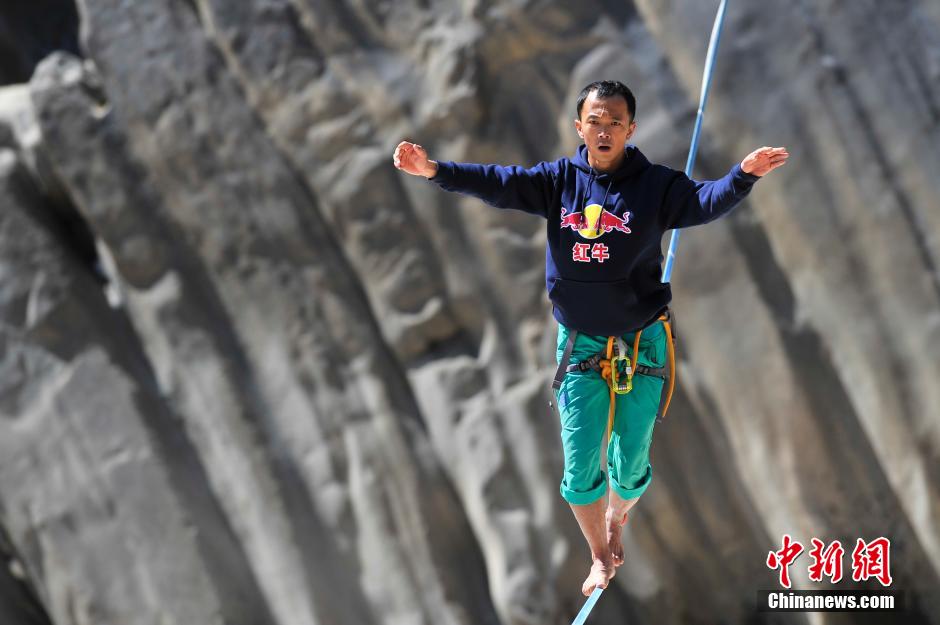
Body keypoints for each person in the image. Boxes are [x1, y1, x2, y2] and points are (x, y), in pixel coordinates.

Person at [393, 80, 788, 596]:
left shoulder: (655, 185)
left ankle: (618, 516)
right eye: (595, 121)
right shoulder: (558, 181)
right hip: (579, 344)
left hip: (641, 341)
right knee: (580, 466)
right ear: (579, 127)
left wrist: (742, 176)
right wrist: (434, 171)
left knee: (630, 462)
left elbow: (701, 203)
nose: (604, 131)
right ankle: (601, 556)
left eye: (614, 123)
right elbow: (498, 182)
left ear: (630, 129)